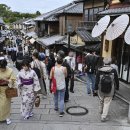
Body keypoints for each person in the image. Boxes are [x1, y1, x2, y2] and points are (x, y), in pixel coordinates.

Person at [95, 57, 119, 122]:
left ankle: (100, 111)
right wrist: (117, 87)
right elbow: (116, 80)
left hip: (101, 89)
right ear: (110, 62)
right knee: (107, 103)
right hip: (110, 89)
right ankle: (103, 116)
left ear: (103, 62)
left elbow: (96, 80)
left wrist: (95, 89)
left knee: (101, 100)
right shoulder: (113, 70)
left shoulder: (99, 70)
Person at [0, 57, 16, 125]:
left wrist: (7, 80)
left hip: (6, 89)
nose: (2, 69)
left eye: (3, 67)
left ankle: (7, 117)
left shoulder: (10, 70)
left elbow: (13, 80)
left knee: (5, 104)